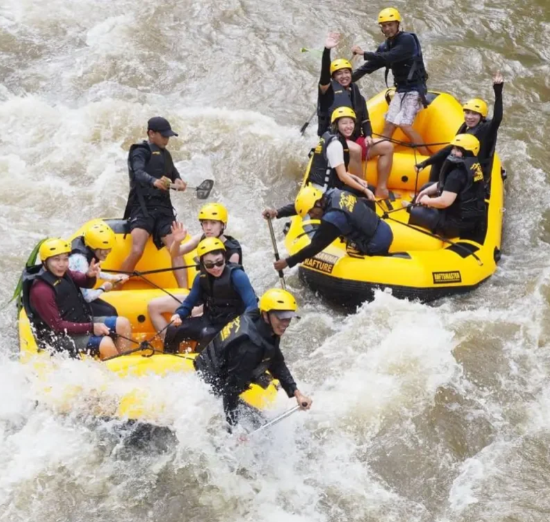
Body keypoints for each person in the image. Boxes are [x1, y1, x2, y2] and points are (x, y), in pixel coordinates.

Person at [194, 288, 312, 427]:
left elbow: (276, 361)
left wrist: (296, 393)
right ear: (266, 315)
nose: (285, 323)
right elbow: (230, 390)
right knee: (258, 425)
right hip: (210, 383)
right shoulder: (249, 348)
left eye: (288, 317)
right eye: (281, 317)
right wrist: (234, 429)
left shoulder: (261, 322)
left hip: (227, 372)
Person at [26, 238, 132, 360]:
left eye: (65, 259)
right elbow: (57, 326)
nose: (61, 264)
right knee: (106, 342)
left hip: (80, 320)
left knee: (123, 323)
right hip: (61, 336)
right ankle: (117, 372)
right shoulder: (41, 290)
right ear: (45, 262)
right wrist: (92, 327)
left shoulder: (64, 272)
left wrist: (89, 275)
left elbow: (82, 281)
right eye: (56, 260)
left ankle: (123, 362)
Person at [318, 34, 395, 198]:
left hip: (354, 137)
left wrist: (368, 135)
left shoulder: (355, 91)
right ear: (333, 78)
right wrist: (327, 51)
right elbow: (324, 75)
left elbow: (365, 116)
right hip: (335, 140)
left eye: (346, 72)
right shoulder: (327, 90)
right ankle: (360, 190)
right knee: (355, 149)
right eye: (339, 74)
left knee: (387, 147)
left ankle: (381, 188)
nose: (344, 76)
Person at [147, 202, 243, 333]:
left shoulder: (232, 252)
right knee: (153, 306)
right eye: (205, 223)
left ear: (222, 225)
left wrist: (202, 308)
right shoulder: (202, 238)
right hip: (201, 296)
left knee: (194, 315)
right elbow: (176, 253)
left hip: (220, 305)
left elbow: (227, 288)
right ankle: (168, 343)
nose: (208, 228)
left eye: (213, 223)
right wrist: (177, 241)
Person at [352, 8, 430, 156]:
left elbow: (389, 57)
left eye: (390, 25)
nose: (387, 28)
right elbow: (370, 66)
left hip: (415, 88)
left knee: (404, 124)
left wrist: (365, 53)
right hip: (401, 89)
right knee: (389, 123)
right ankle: (381, 154)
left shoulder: (408, 40)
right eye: (384, 26)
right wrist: (348, 80)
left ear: (397, 24)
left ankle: (427, 156)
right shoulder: (384, 46)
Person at [120, 116, 188, 288]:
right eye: (163, 135)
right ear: (151, 133)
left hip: (164, 210)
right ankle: (115, 286)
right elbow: (138, 172)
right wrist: (153, 181)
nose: (167, 139)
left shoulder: (166, 155)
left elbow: (174, 175)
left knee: (176, 250)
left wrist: (179, 182)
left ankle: (185, 293)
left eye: (168, 136)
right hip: (142, 209)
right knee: (137, 250)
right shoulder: (140, 151)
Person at [163, 237, 257, 353]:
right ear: (202, 264)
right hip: (209, 319)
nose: (216, 268)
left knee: (207, 334)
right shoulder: (200, 278)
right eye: (209, 265)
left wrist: (243, 329)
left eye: (219, 262)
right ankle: (170, 357)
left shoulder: (237, 276)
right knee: (173, 329)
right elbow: (189, 303)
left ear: (225, 258)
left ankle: (201, 364)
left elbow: (252, 306)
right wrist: (178, 314)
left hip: (232, 325)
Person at [272, 185, 393, 273]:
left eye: (311, 212)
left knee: (344, 241)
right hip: (384, 228)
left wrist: (288, 262)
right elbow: (303, 205)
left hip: (376, 244)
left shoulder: (334, 218)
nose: (312, 215)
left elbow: (315, 247)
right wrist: (277, 213)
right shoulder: (335, 193)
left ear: (318, 203)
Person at [416, 72, 504, 182]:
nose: (470, 117)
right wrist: (426, 162)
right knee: (438, 163)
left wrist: (498, 90)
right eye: (467, 113)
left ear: (482, 117)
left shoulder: (486, 130)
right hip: (462, 163)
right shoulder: (465, 127)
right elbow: (449, 149)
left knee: (450, 170)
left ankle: (438, 194)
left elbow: (497, 118)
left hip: (474, 172)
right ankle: (435, 190)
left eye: (474, 114)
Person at [408, 134, 486, 240]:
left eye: (458, 150)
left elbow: (444, 202)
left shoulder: (456, 175)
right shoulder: (474, 165)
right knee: (427, 186)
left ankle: (412, 208)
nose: (453, 152)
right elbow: (447, 185)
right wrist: (426, 191)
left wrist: (426, 200)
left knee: (416, 213)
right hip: (469, 216)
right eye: (454, 148)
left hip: (456, 225)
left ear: (467, 152)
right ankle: (414, 204)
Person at [309, 106, 392, 199]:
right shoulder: (336, 144)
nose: (349, 126)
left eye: (351, 122)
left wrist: (357, 179)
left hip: (327, 184)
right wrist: (364, 190)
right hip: (326, 191)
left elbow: (339, 170)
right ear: (336, 124)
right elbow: (342, 176)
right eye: (344, 123)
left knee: (369, 188)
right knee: (367, 192)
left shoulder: (330, 136)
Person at [69, 221, 128, 317]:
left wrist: (112, 277)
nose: (107, 252)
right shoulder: (80, 260)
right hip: (72, 301)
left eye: (109, 248)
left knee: (110, 310)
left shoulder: (88, 250)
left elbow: (92, 272)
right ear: (93, 247)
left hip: (78, 294)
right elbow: (87, 297)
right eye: (104, 249)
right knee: (109, 312)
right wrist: (103, 288)